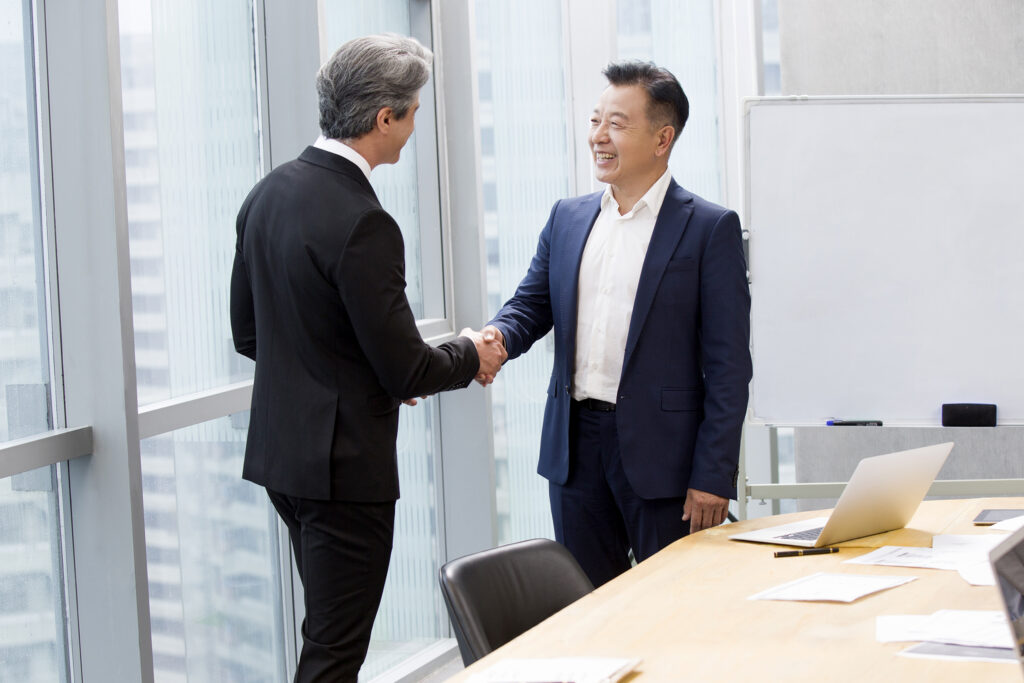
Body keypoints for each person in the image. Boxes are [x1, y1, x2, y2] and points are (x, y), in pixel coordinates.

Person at [229, 34, 505, 682]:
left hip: (284, 461)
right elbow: (406, 368)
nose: (413, 128)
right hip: (344, 472)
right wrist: (473, 352)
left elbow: (249, 334)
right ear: (386, 118)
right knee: (334, 651)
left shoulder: (267, 194)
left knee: (325, 632)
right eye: (412, 111)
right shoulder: (363, 220)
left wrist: (372, 371)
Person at [477, 61, 751, 587]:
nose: (598, 137)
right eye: (595, 120)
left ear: (662, 138)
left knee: (670, 602)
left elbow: (729, 366)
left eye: (617, 124)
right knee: (588, 604)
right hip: (576, 449)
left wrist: (713, 475)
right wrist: (495, 340)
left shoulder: (709, 228)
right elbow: (530, 306)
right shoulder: (568, 217)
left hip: (665, 458)